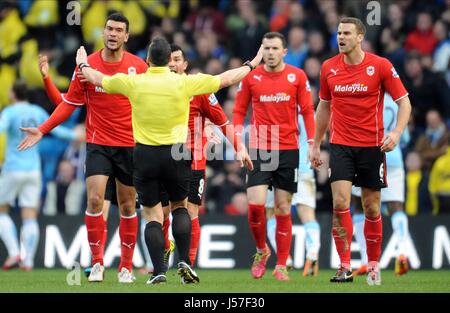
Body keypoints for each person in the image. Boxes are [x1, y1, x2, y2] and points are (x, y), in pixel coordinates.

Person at [56, 36, 259, 284]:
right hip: (176, 154)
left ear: (148, 60)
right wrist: (251, 65)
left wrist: (82, 64)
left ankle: (159, 271)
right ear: (168, 61)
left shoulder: (134, 82)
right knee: (180, 208)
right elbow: (228, 78)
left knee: (153, 216)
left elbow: (97, 79)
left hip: (144, 155)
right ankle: (184, 260)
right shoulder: (185, 84)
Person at [18, 13, 149, 283]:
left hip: (130, 145)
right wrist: (43, 130)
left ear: (126, 36)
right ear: (103, 33)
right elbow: (69, 103)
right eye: (109, 29)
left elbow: (150, 104)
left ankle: (126, 267)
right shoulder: (86, 65)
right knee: (94, 201)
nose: (113, 34)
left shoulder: (139, 66)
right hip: (98, 143)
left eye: (118, 30)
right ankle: (98, 263)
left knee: (126, 205)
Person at [310, 17, 411, 286]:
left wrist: (397, 133)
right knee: (341, 203)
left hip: (372, 146)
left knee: (371, 206)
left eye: (346, 33)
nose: (340, 37)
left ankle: (374, 265)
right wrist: (316, 142)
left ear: (360, 37)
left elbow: (404, 103)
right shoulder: (329, 68)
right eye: (338, 33)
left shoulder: (380, 66)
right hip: (341, 145)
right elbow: (323, 107)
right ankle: (345, 265)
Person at [157, 44, 253, 268]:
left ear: (185, 64)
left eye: (177, 59)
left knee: (191, 212)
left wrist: (239, 146)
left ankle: (187, 264)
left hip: (193, 160)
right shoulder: (155, 87)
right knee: (161, 213)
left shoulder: (198, 88)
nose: (172, 63)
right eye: (169, 59)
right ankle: (161, 258)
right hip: (162, 158)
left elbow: (223, 121)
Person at [233, 32, 315, 281]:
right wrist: (239, 144)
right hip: (259, 149)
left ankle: (281, 265)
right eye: (266, 48)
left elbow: (308, 111)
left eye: (274, 48)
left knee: (282, 207)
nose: (270, 52)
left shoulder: (297, 76)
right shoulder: (251, 77)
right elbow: (238, 112)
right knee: (256, 207)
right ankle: (262, 250)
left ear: (284, 51)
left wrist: (312, 143)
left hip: (289, 149)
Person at [0, 81, 80, 271]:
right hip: (33, 170)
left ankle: (13, 252)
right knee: (30, 215)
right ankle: (27, 261)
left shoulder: (9, 112)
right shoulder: (37, 111)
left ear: (12, 94)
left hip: (12, 168)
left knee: (1, 211)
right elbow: (55, 128)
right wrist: (74, 135)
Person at [352, 93, 411, 277]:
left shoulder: (365, 98)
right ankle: (402, 251)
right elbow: (405, 137)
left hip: (369, 155)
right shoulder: (396, 103)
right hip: (394, 157)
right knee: (396, 206)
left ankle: (364, 260)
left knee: (360, 206)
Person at [265, 114, 321, 277]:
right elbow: (320, 138)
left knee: (272, 213)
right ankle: (312, 253)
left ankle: (285, 258)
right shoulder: (311, 115)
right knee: (308, 215)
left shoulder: (276, 108)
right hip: (304, 166)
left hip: (279, 165)